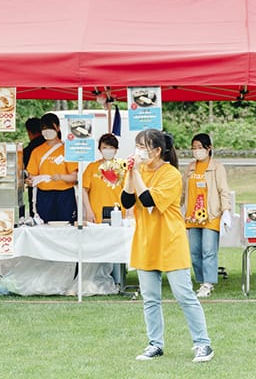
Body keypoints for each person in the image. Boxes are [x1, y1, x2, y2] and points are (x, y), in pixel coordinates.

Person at [121, 129, 214, 363]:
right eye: (137, 146)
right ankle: (155, 344)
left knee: (184, 295)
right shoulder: (137, 170)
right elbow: (127, 200)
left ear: (157, 151)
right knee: (150, 298)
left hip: (170, 241)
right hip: (145, 241)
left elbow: (148, 200)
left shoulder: (170, 174)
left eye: (143, 147)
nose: (139, 151)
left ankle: (203, 344)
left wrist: (135, 173)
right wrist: (132, 173)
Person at [182, 133, 231, 298]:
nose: (197, 151)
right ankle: (201, 281)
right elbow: (182, 191)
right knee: (195, 251)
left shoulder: (217, 167)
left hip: (211, 215)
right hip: (192, 216)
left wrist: (226, 211)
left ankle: (208, 283)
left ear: (208, 148)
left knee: (208, 250)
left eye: (200, 147)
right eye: (194, 148)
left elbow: (223, 191)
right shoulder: (190, 167)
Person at [82, 133, 126, 285]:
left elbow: (129, 190)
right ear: (99, 149)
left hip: (118, 214)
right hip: (96, 213)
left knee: (116, 247)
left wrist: (130, 213)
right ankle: (99, 279)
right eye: (104, 147)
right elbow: (84, 189)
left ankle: (118, 280)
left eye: (111, 148)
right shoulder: (92, 167)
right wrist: (88, 210)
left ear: (116, 149)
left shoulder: (122, 167)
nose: (107, 150)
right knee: (99, 247)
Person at [26, 112, 78, 223]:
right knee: (44, 228)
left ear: (58, 128)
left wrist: (61, 177)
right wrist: (30, 181)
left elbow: (75, 177)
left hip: (65, 195)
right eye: (44, 128)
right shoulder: (36, 152)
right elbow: (32, 176)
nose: (47, 131)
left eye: (50, 127)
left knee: (66, 227)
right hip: (44, 196)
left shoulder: (68, 149)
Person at [23, 117, 45, 218]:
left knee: (36, 217)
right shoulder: (50, 145)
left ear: (29, 132)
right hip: (55, 189)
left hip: (35, 188)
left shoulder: (28, 150)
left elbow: (25, 171)